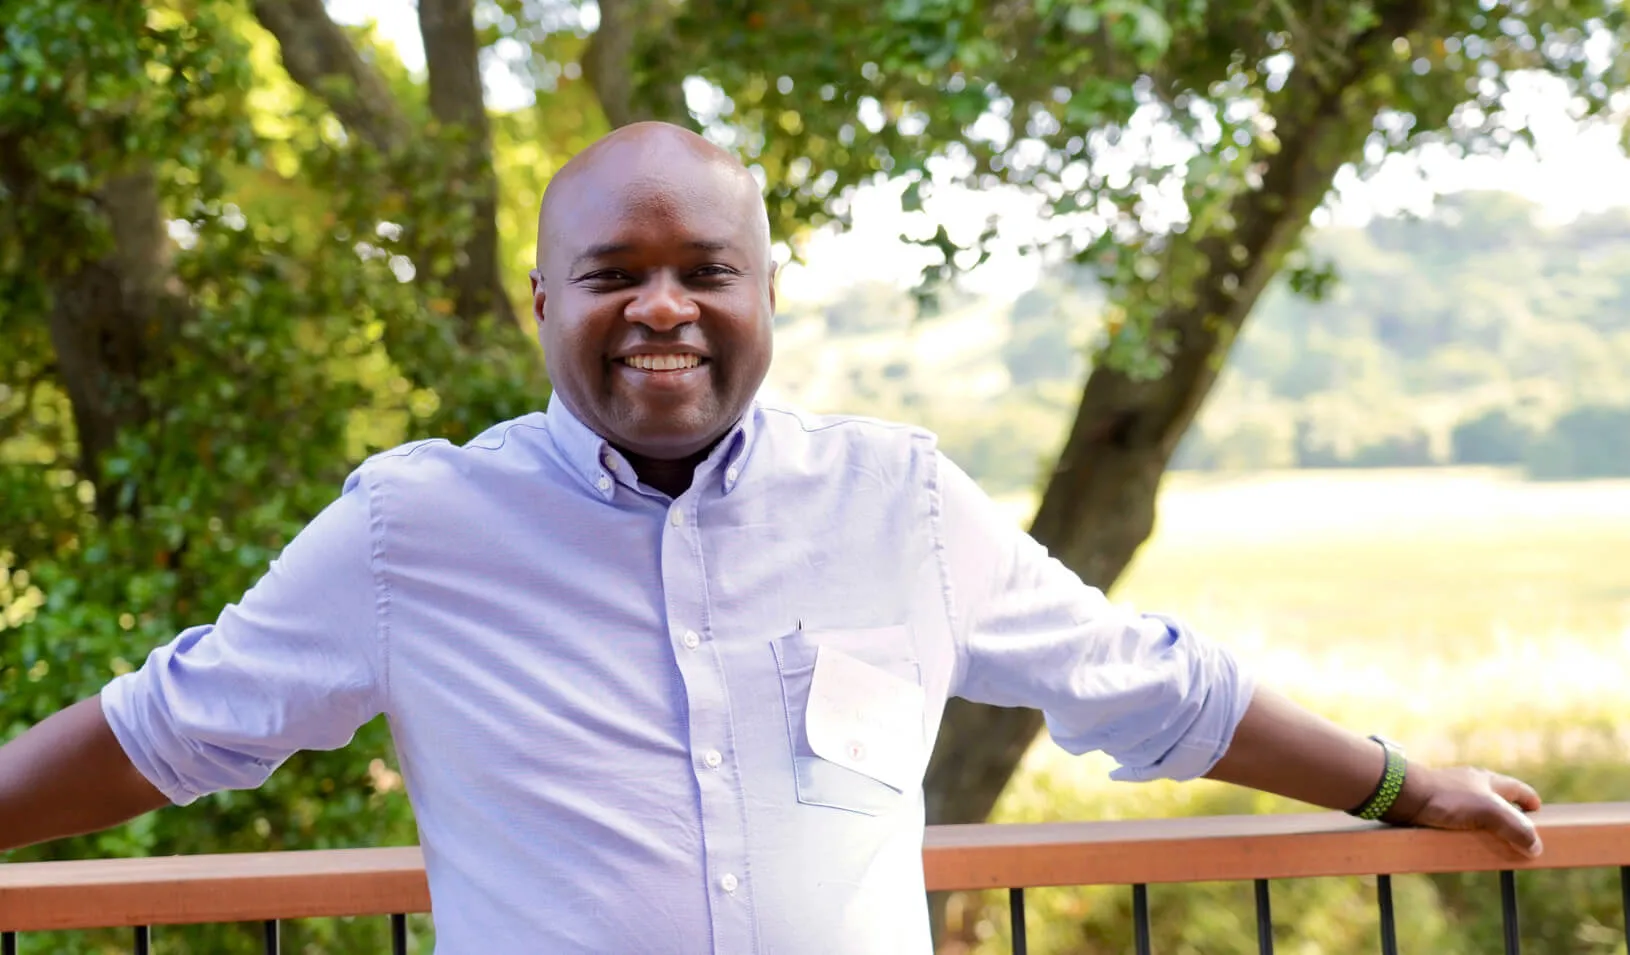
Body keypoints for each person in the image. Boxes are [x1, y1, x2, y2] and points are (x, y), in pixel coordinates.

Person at [0, 122, 1543, 953]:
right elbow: (173, 726)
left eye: (704, 269)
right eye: (610, 272)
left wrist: (1403, 783)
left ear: (763, 295)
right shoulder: (414, 530)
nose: (660, 304)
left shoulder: (900, 500)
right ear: (539, 305)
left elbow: (1148, 682)